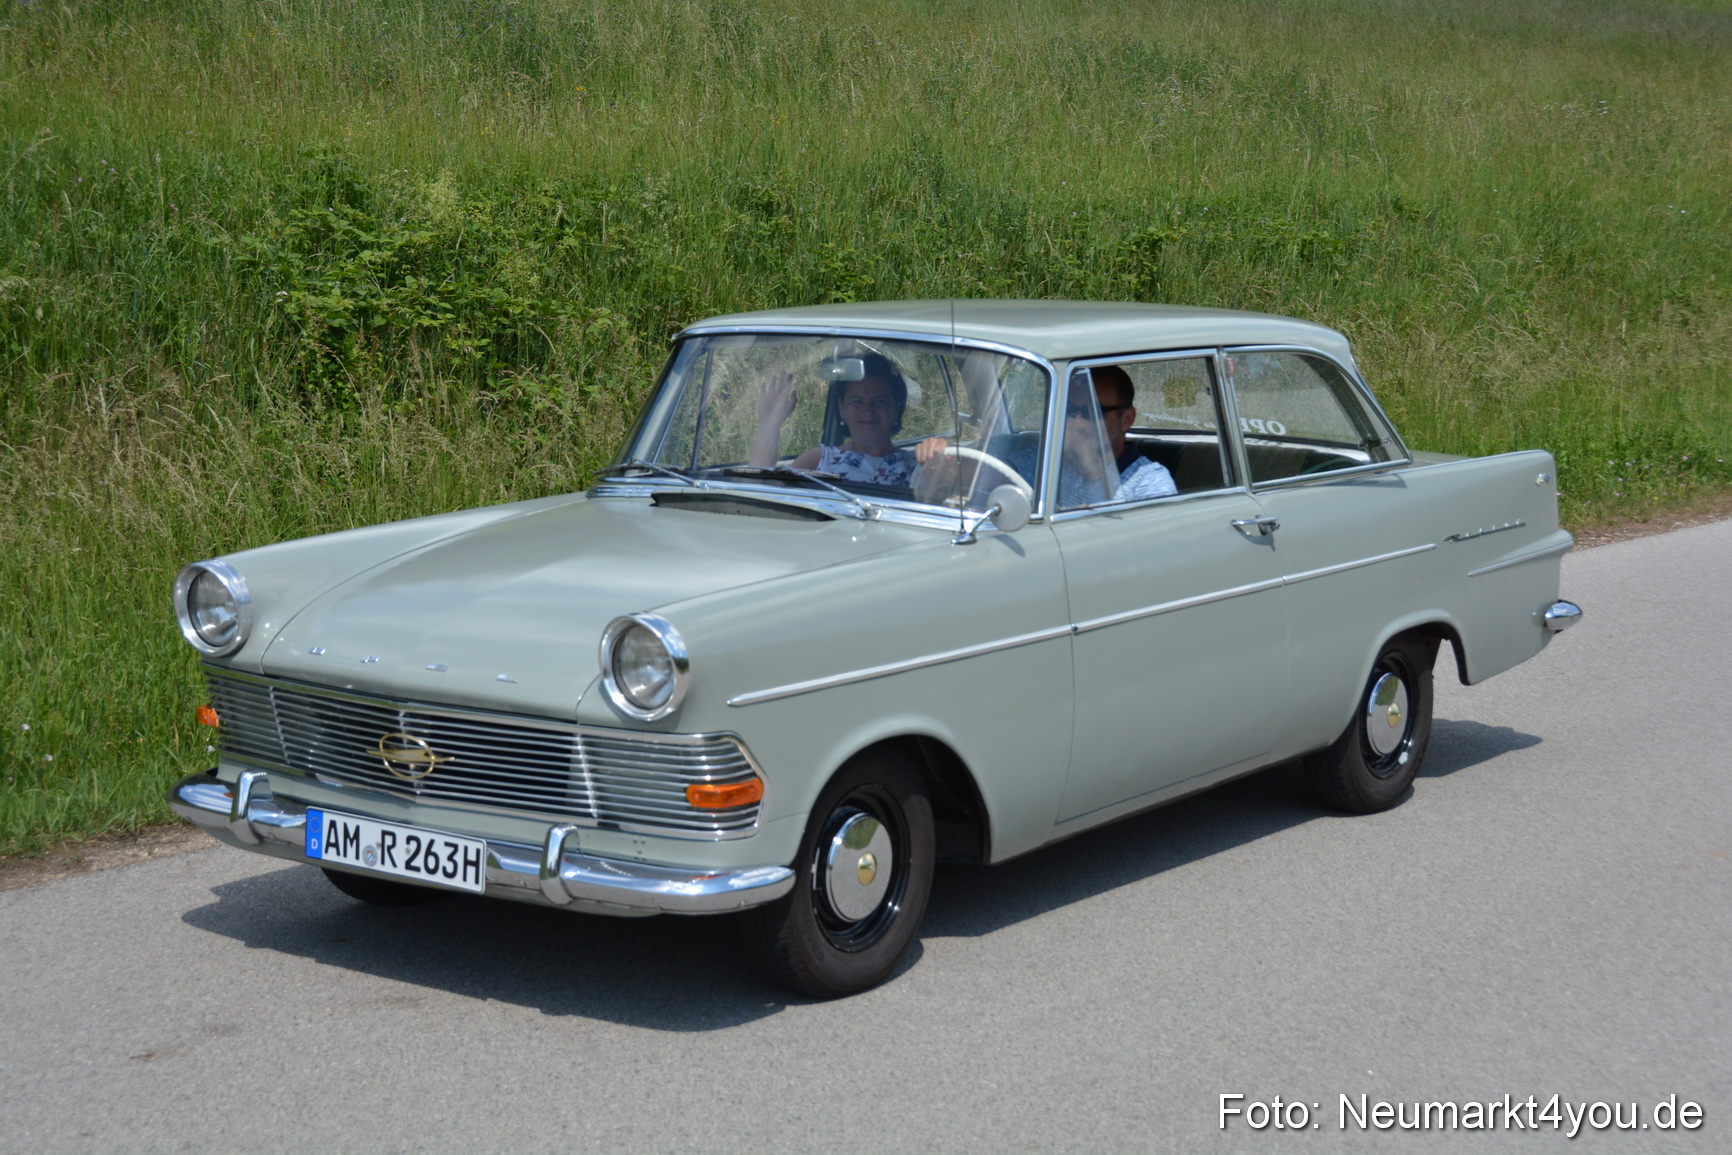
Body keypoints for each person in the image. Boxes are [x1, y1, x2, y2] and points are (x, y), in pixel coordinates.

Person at [913, 364, 1175, 508]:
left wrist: (1093, 468)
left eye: (1091, 412)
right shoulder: (1051, 459)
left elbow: (1150, 556)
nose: (1077, 421)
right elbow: (995, 473)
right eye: (1070, 411)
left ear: (1126, 419)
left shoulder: (1150, 484)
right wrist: (949, 462)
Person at [750, 352, 916, 488]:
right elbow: (760, 489)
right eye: (857, 402)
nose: (867, 410)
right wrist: (770, 423)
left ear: (897, 409)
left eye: (879, 401)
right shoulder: (820, 461)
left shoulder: (917, 465)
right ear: (841, 408)